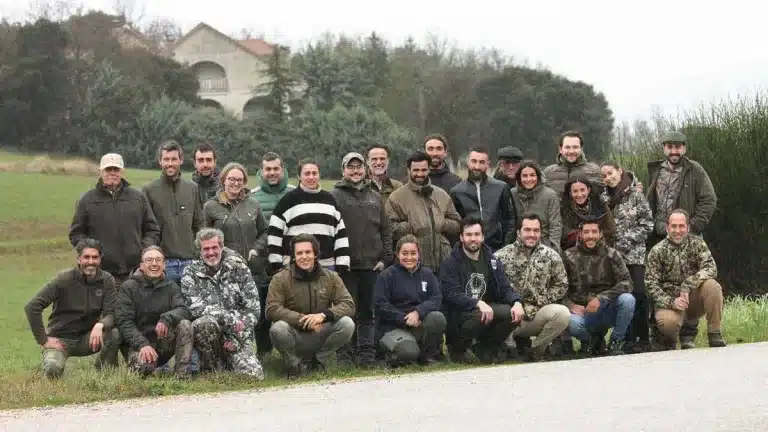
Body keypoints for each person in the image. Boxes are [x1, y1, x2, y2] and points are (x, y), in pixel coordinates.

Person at [330, 152, 393, 367]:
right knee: (345, 312)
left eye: (359, 167)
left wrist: (385, 258)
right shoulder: (334, 196)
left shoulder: (375, 197)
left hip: (371, 266)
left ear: (365, 170)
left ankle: (367, 355)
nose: (355, 171)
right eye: (351, 167)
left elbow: (386, 230)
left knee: (368, 313)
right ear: (343, 170)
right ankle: (344, 356)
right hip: (345, 267)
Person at [24, 239, 120, 379]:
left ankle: (105, 374)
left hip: (88, 339)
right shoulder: (64, 279)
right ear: (78, 259)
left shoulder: (107, 280)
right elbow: (32, 306)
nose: (91, 261)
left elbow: (112, 313)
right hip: (61, 339)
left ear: (100, 259)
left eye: (95, 257)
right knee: (52, 369)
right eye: (86, 257)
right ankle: (54, 374)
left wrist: (100, 324)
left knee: (114, 334)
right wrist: (43, 340)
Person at [266, 234, 356, 379]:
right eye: (299, 253)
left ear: (315, 254)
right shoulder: (280, 279)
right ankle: (294, 365)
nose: (304, 256)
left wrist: (323, 316)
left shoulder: (331, 277)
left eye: (308, 252)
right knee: (278, 328)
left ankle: (319, 361)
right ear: (294, 256)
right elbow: (272, 309)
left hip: (321, 331)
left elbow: (348, 304)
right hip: (294, 334)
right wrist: (303, 319)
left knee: (347, 324)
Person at [181, 228, 265, 379]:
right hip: (211, 336)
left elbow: (253, 310)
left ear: (221, 247)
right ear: (200, 251)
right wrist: (228, 318)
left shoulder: (239, 268)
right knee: (204, 322)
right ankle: (212, 370)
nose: (211, 252)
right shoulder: (190, 272)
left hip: (239, 335)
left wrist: (237, 339)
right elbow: (195, 308)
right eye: (206, 249)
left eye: (214, 247)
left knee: (254, 376)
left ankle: (233, 365)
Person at [439, 216, 524, 364]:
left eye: (477, 234)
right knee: (478, 314)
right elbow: (451, 294)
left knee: (511, 313)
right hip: (458, 314)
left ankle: (487, 347)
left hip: (485, 309)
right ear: (461, 237)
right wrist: (477, 303)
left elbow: (504, 287)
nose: (473, 239)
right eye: (469, 235)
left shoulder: (492, 260)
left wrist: (517, 302)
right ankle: (458, 350)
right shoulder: (450, 262)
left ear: (483, 236)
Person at [69, 153, 160, 288]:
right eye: (108, 169)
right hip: (101, 274)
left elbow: (152, 229)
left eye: (116, 169)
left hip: (136, 273)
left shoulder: (138, 198)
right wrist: (91, 253)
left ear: (122, 172)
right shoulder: (87, 200)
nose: (112, 173)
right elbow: (76, 233)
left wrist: (142, 250)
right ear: (101, 171)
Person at [493, 214, 570, 361]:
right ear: (518, 232)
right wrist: (513, 305)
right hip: (509, 316)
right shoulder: (501, 256)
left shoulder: (551, 256)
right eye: (527, 230)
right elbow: (492, 286)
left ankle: (536, 349)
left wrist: (540, 300)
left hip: (535, 314)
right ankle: (505, 347)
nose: (532, 234)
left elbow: (562, 284)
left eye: (536, 230)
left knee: (562, 314)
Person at [645, 209, 726, 350]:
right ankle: (669, 339)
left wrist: (688, 285)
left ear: (688, 228)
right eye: (674, 226)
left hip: (692, 299)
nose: (678, 230)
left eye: (681, 226)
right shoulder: (657, 251)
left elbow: (711, 268)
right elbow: (650, 285)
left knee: (713, 286)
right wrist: (671, 302)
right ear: (667, 228)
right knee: (668, 323)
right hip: (670, 303)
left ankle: (714, 334)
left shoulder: (697, 244)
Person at [115, 246, 194, 378]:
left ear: (164, 264)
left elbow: (183, 309)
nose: (154, 264)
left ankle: (182, 375)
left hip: (163, 342)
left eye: (158, 260)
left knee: (185, 324)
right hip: (138, 345)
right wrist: (142, 344)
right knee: (143, 371)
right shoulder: (128, 287)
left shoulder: (171, 286)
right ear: (141, 265)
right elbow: (124, 321)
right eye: (149, 260)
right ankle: (142, 365)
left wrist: (167, 318)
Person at [600, 161, 654, 353]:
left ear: (620, 171)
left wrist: (625, 242)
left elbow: (647, 224)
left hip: (634, 256)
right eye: (604, 176)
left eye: (611, 173)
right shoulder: (602, 199)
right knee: (623, 297)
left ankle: (644, 338)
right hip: (613, 258)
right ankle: (627, 339)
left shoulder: (636, 195)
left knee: (639, 294)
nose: (608, 178)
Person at [563, 221, 635, 356]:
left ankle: (615, 341)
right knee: (570, 322)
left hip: (606, 309)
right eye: (586, 232)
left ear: (600, 233)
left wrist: (601, 298)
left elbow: (627, 283)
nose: (590, 236)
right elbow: (560, 287)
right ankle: (589, 341)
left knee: (628, 299)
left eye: (594, 232)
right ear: (580, 234)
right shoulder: (568, 256)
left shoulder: (612, 254)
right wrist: (570, 305)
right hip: (582, 312)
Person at [374, 234, 446, 367]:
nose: (409, 257)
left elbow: (436, 298)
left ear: (419, 254)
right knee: (408, 353)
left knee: (437, 317)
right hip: (393, 327)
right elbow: (380, 305)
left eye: (413, 253)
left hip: (419, 324)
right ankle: (386, 358)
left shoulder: (428, 274)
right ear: (397, 254)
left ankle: (429, 357)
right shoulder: (386, 276)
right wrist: (404, 318)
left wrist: (418, 312)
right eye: (405, 253)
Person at [268, 158, 350, 272]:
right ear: (299, 176)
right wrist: (275, 264)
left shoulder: (330, 200)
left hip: (326, 267)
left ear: (319, 175)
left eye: (314, 173)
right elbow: (274, 234)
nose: (311, 177)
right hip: (295, 266)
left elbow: (341, 235)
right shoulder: (287, 201)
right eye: (307, 174)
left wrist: (343, 265)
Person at [386, 151, 461, 274]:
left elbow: (457, 224)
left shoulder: (441, 195)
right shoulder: (396, 198)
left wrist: (440, 223)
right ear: (408, 170)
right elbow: (390, 228)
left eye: (424, 170)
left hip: (442, 261)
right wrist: (413, 224)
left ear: (429, 169)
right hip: (412, 264)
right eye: (416, 170)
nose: (420, 174)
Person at [250, 151, 295, 357]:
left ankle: (292, 352)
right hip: (262, 264)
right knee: (262, 310)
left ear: (283, 169)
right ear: (261, 171)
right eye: (268, 169)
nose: (272, 173)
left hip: (289, 262)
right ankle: (264, 353)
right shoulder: (252, 196)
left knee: (289, 308)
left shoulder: (295, 193)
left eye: (276, 168)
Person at [142, 140, 204, 283]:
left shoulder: (192, 188)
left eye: (174, 159)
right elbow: (146, 228)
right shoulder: (149, 190)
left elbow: (199, 224)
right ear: (160, 161)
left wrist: (197, 253)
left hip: (190, 262)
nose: (170, 163)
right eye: (166, 159)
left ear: (181, 160)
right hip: (163, 263)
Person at [646, 131, 717, 247]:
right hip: (660, 236)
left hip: (687, 236)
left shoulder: (695, 169)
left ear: (684, 148)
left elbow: (709, 200)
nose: (674, 151)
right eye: (670, 147)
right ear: (664, 148)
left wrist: (692, 227)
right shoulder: (655, 170)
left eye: (678, 147)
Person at [450, 145, 519, 251]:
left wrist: (505, 247)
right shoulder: (457, 191)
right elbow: (456, 225)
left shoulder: (501, 188)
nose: (477, 166)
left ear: (488, 164)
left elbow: (510, 220)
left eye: (481, 162)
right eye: (474, 161)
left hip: (497, 248)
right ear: (468, 162)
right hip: (468, 249)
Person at [512, 160, 562, 250]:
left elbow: (555, 225)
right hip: (518, 246)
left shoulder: (550, 195)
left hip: (544, 245)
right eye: (524, 176)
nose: (528, 179)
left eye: (532, 175)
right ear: (519, 177)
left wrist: (554, 249)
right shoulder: (513, 193)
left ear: (538, 176)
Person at [560, 177, 617, 251]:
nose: (579, 195)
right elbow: (563, 232)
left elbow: (610, 230)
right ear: (570, 193)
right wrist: (579, 234)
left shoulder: (600, 205)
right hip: (573, 250)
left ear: (588, 190)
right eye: (575, 191)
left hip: (599, 247)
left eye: (582, 190)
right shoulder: (564, 208)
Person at [542, 131, 602, 195]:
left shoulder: (594, 171)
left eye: (575, 147)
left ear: (581, 149)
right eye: (567, 147)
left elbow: (602, 195)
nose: (571, 151)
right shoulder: (548, 172)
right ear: (560, 149)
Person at [191, 142, 220, 206]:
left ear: (215, 162)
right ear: (194, 163)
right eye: (201, 160)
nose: (205, 165)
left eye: (209, 160)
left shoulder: (224, 188)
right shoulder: (188, 189)